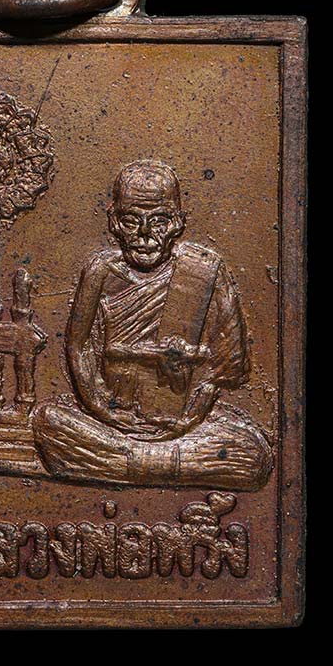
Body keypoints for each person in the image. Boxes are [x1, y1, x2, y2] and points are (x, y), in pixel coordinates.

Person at [32, 160, 272, 489]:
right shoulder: (101, 270)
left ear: (178, 223)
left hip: (186, 423)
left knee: (254, 453)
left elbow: (225, 367)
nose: (145, 234)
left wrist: (187, 419)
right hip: (109, 420)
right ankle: (163, 464)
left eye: (159, 221)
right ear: (114, 222)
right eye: (132, 221)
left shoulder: (204, 270)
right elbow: (79, 346)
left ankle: (126, 462)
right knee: (48, 422)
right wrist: (102, 409)